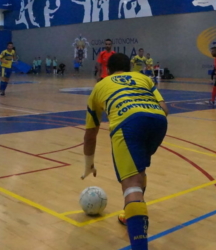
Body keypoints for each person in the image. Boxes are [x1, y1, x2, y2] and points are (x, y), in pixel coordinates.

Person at [82, 53, 168, 250]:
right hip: (158, 122)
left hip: (128, 124)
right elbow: (164, 108)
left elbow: (90, 135)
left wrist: (88, 165)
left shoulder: (100, 86)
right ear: (129, 67)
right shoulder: (143, 77)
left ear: (108, 70)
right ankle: (129, 214)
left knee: (131, 185)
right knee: (138, 171)